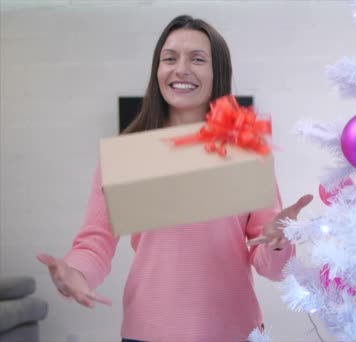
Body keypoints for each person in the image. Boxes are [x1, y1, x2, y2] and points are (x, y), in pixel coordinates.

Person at [36, 14, 313, 342]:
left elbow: (271, 265)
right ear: (157, 70)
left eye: (197, 59)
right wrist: (76, 272)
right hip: (148, 331)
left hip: (234, 332)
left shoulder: (244, 147)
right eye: (169, 58)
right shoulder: (129, 153)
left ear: (216, 72)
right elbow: (95, 242)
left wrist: (280, 242)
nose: (181, 69)